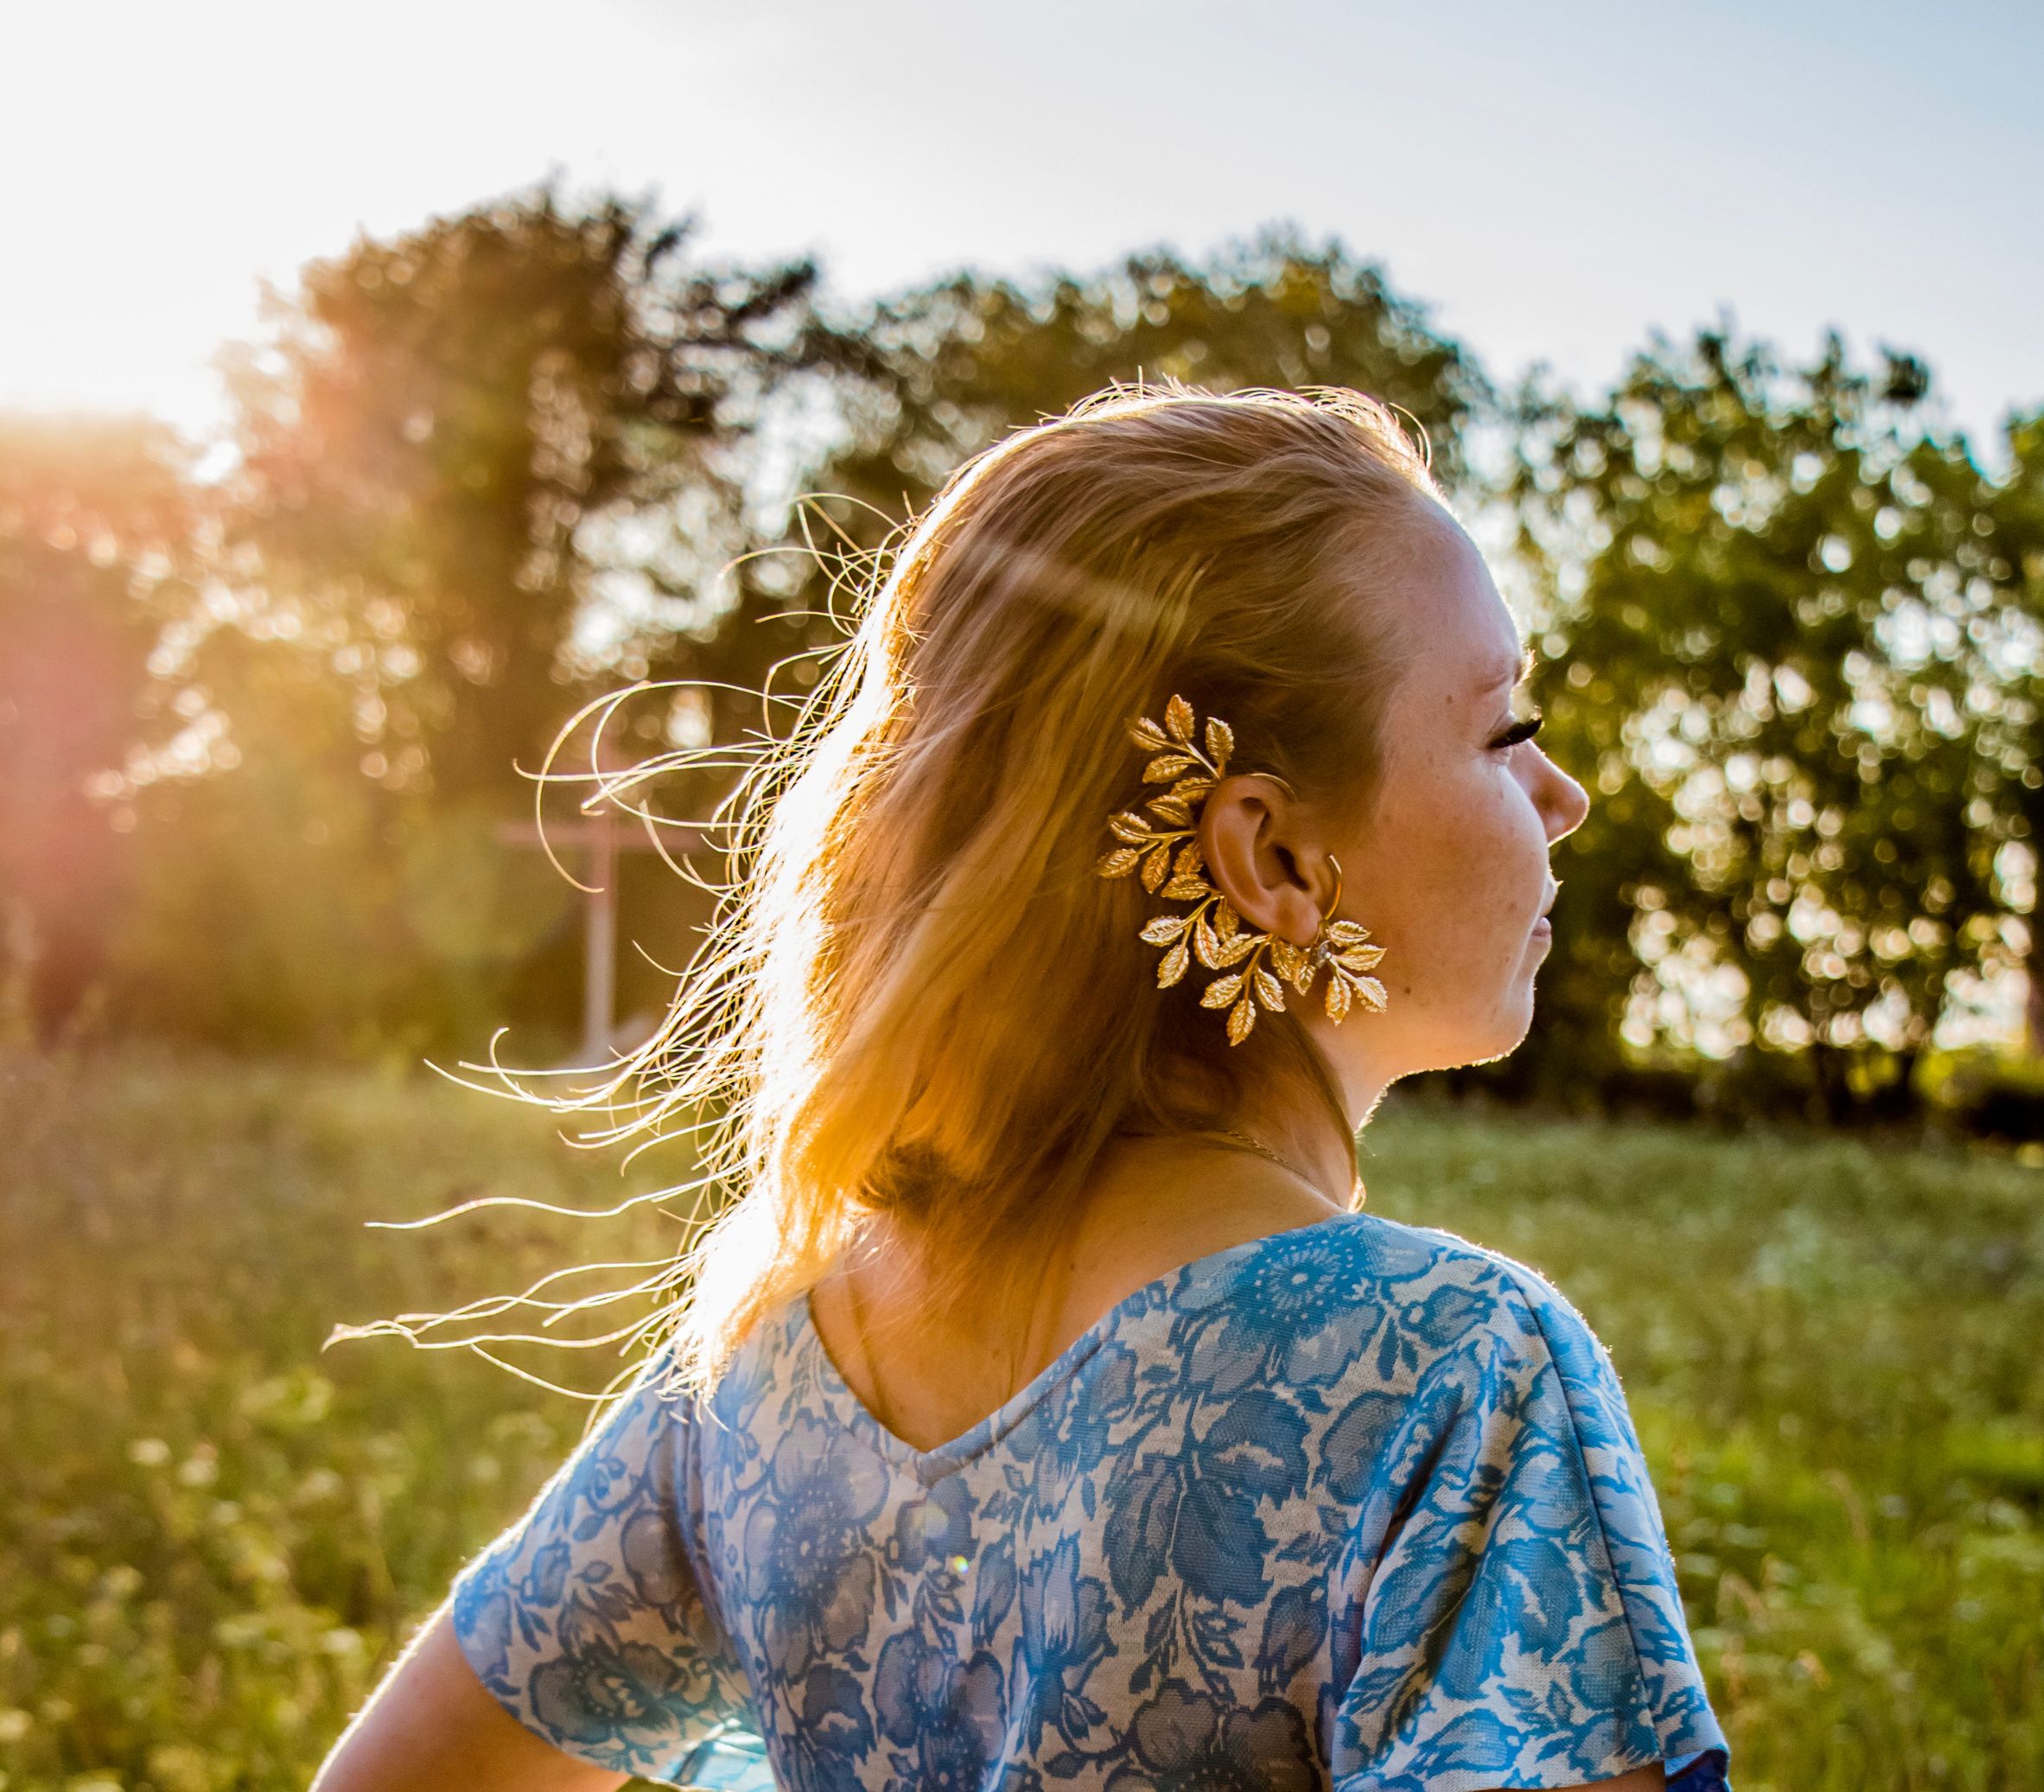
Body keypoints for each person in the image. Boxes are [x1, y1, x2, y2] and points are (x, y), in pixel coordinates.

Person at [312, 387, 1731, 1791]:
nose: (1563, 796)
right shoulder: (1449, 1370)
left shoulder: (773, 1370)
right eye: (1502, 729)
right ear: (1275, 861)